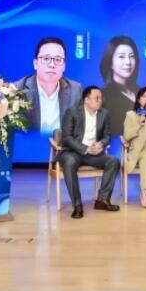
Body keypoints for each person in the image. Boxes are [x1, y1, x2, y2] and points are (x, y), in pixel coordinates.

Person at [58, 86, 121, 219]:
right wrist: (85, 148)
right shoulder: (72, 112)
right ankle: (77, 205)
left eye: (101, 98)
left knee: (113, 161)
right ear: (86, 100)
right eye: (96, 98)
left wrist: (101, 144)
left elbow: (107, 135)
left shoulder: (104, 114)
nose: (100, 101)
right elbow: (67, 138)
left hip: (93, 154)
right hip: (72, 152)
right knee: (69, 162)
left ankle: (102, 200)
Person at [14, 37, 82, 134]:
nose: (52, 65)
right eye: (46, 58)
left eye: (58, 59)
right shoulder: (18, 90)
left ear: (64, 66)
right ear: (35, 64)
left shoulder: (75, 90)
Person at [100, 36, 140, 137]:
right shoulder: (103, 96)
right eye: (121, 57)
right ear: (110, 62)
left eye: (132, 56)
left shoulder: (143, 92)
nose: (128, 62)